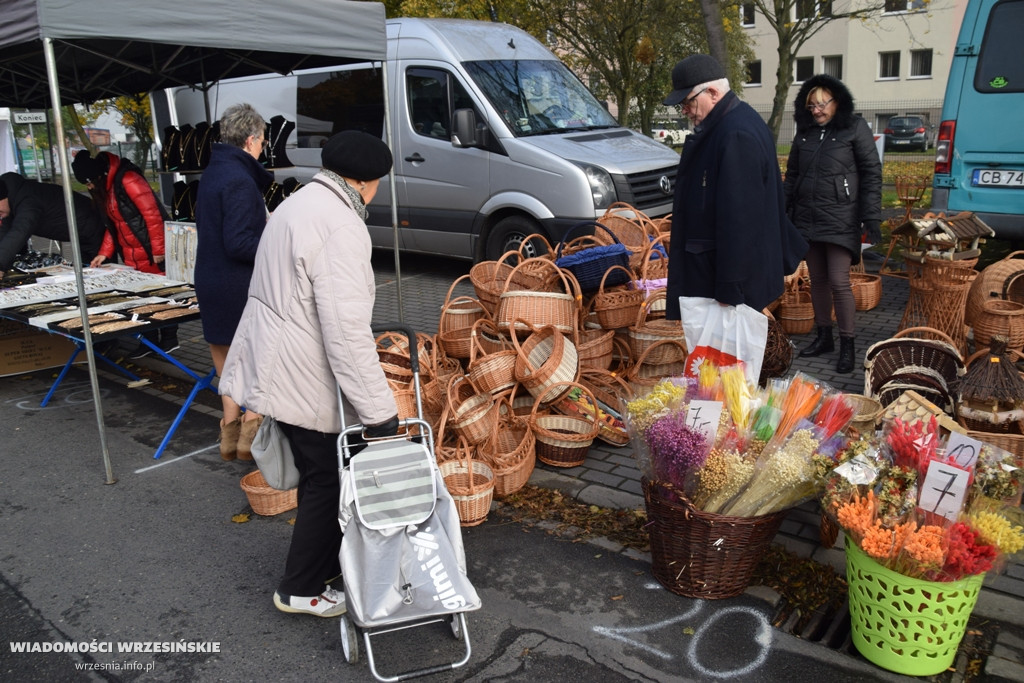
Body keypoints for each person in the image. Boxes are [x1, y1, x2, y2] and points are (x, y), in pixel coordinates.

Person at [219, 131, 399, 617]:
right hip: (303, 369)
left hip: (277, 359)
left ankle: (325, 568)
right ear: (366, 182)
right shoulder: (340, 225)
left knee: (320, 475)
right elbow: (345, 331)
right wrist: (381, 413)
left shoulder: (297, 205)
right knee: (329, 480)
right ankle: (300, 587)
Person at [662, 54, 807, 321]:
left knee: (730, 361)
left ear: (713, 92)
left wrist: (731, 289)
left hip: (729, 284)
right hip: (722, 276)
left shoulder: (735, 133)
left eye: (687, 101)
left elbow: (741, 221)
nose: (684, 110)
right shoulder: (732, 124)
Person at [784, 74, 883, 374]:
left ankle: (848, 345)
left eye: (822, 103)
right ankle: (823, 336)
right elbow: (792, 177)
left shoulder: (854, 128)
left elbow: (871, 173)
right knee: (818, 281)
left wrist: (872, 216)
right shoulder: (804, 134)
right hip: (807, 218)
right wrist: (780, 212)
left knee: (840, 282)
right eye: (811, 105)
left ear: (836, 101)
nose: (816, 110)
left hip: (842, 217)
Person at [193, 103, 272, 461]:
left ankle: (229, 439)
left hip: (210, 279)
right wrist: (276, 245)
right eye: (263, 142)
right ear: (251, 139)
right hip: (236, 285)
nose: (263, 149)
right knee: (255, 364)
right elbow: (239, 242)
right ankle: (251, 444)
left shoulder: (213, 172)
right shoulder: (240, 180)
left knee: (225, 365)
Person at [71, 150, 179, 356]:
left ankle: (169, 340)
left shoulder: (128, 179)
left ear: (99, 176)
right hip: (132, 255)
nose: (90, 187)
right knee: (143, 299)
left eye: (89, 182)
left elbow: (153, 216)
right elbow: (115, 226)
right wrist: (104, 253)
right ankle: (149, 343)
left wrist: (158, 250)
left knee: (161, 297)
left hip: (149, 252)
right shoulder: (109, 189)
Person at [0, 172, 106, 279]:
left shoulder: (27, 200)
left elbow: (20, 232)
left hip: (93, 229)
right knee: (87, 274)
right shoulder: (11, 200)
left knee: (102, 275)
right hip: (82, 234)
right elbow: (4, 233)